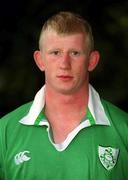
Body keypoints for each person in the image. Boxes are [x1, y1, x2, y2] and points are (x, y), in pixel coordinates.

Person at [0, 11, 128, 180]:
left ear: (92, 61)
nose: (64, 64)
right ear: (40, 60)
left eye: (75, 53)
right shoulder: (5, 131)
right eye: (55, 53)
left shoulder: (124, 129)